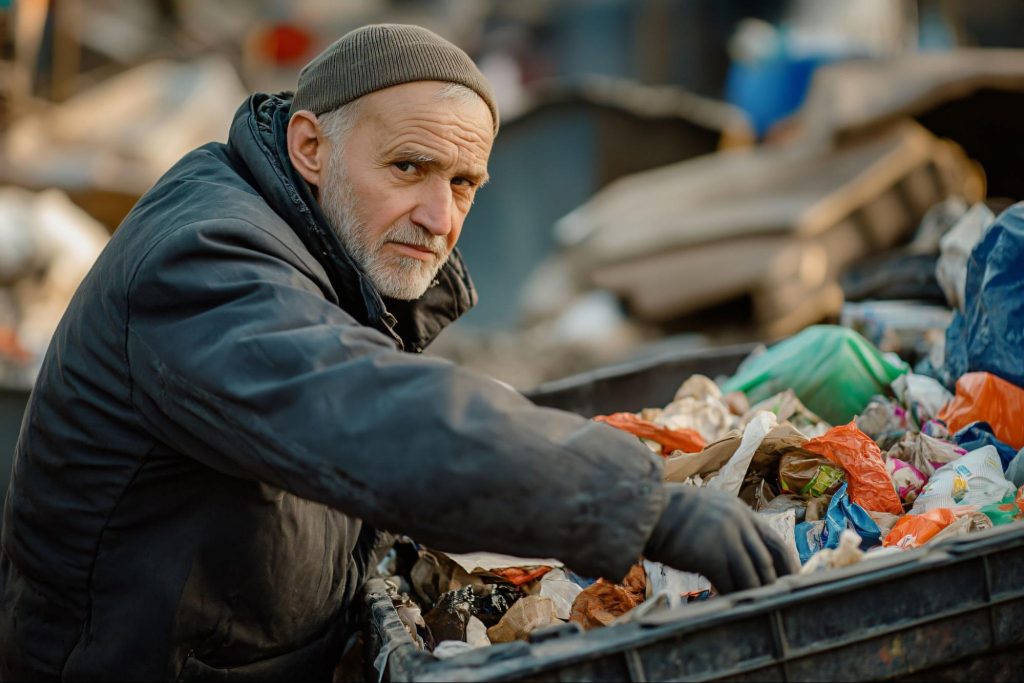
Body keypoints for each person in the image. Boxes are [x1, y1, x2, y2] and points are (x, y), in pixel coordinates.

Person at [0, 24, 796, 681]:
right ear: (310, 146)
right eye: (409, 167)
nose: (439, 216)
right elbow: (371, 411)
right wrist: (643, 504)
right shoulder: (203, 261)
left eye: (463, 182)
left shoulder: (311, 240)